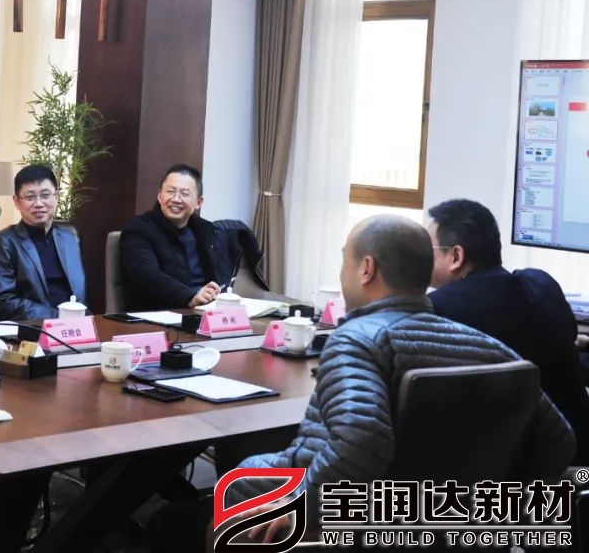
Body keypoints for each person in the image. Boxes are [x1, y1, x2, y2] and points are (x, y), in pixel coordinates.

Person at [147, 215, 575, 551]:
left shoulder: (358, 340)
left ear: (366, 269)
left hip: (333, 523)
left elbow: (363, 437)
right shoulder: (491, 349)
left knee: (166, 525)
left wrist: (304, 503)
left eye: (345, 261)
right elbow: (559, 443)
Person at [427, 198, 589, 464]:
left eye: (428, 249)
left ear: (456, 256)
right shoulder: (542, 285)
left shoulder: (438, 310)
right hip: (575, 450)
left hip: (515, 466)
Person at [119, 163, 236, 310]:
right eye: (170, 191)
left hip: (205, 311)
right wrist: (190, 296)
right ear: (159, 196)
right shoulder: (138, 229)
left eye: (184, 194)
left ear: (198, 202)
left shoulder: (207, 231)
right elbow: (145, 274)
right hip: (160, 313)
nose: (176, 199)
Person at [0, 164, 85, 320]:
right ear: (17, 202)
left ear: (56, 197)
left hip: (75, 326)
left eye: (45, 195)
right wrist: (58, 317)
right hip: (31, 328)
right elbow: (4, 300)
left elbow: (79, 294)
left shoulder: (70, 237)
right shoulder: (4, 243)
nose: (38, 203)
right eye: (30, 197)